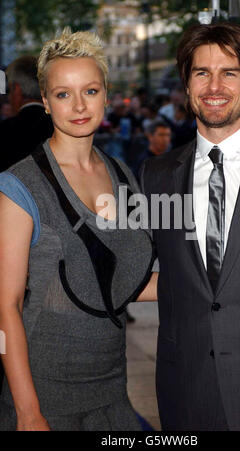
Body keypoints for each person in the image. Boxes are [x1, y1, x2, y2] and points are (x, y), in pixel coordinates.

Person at [141, 22, 240, 431]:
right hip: (185, 387)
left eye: (229, 72)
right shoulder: (156, 176)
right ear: (187, 85)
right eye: (201, 73)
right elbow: (139, 268)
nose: (215, 86)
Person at [0, 28, 157, 431]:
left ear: (107, 94)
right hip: (44, 392)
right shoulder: (20, 185)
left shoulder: (122, 175)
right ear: (47, 103)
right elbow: (6, 307)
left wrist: (216, 280)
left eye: (89, 90)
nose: (79, 105)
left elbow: (123, 279)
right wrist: (28, 412)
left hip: (113, 388)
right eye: (63, 93)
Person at [0, 56, 53, 171]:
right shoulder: (61, 127)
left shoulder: (5, 131)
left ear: (17, 90)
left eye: (9, 90)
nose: (8, 97)